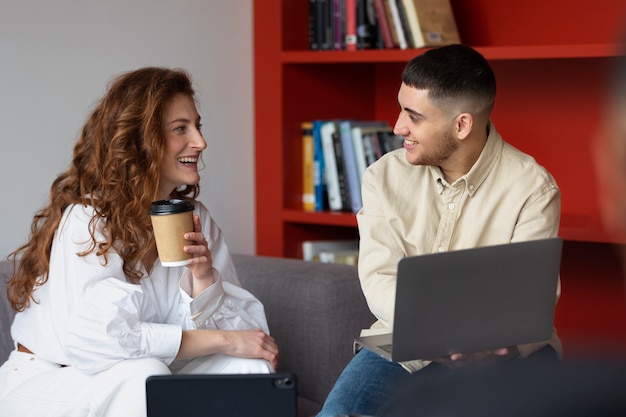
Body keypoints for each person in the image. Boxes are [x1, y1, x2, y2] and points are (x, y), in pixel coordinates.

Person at [0, 67, 279, 417]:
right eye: (181, 129)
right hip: (50, 383)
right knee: (146, 376)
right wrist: (222, 340)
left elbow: (250, 337)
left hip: (144, 370)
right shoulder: (87, 220)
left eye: (197, 126)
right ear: (141, 140)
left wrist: (204, 280)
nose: (200, 142)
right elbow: (99, 343)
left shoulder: (196, 218)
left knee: (247, 369)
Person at [317, 44, 561, 417]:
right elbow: (378, 276)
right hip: (402, 345)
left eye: (413, 116)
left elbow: (530, 296)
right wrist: (435, 332)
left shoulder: (532, 187)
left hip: (501, 353)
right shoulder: (383, 176)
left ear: (461, 124)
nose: (398, 126)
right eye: (401, 109)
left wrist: (483, 343)